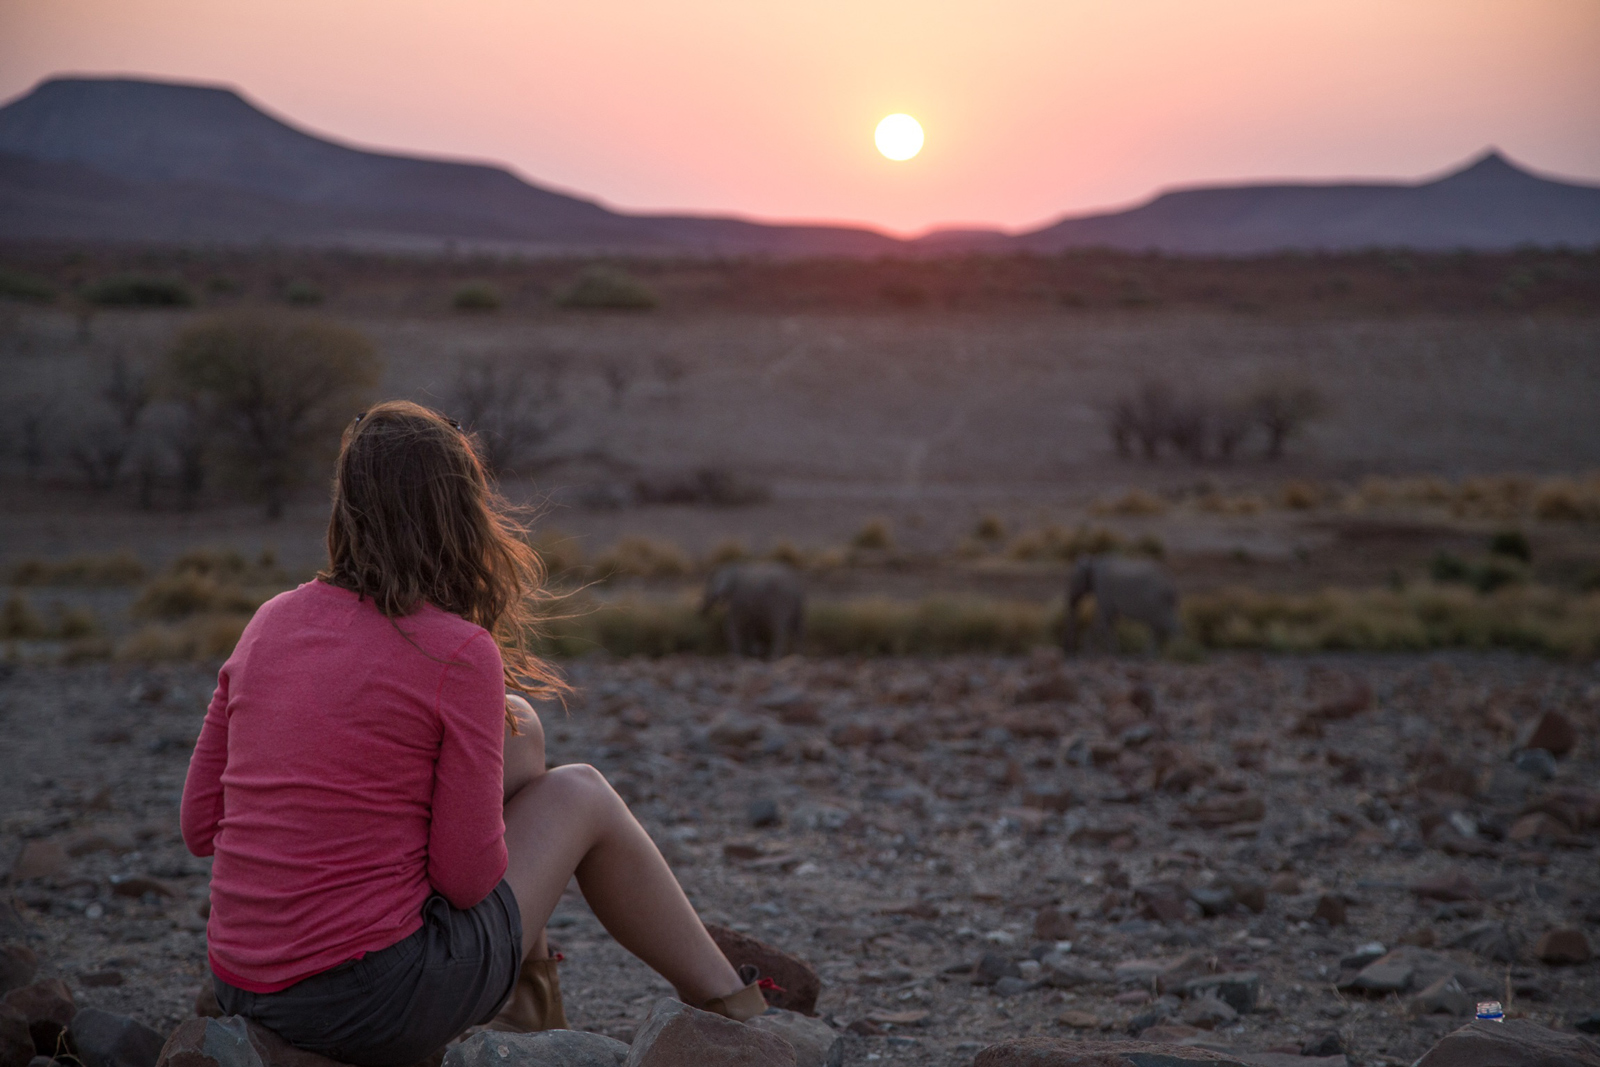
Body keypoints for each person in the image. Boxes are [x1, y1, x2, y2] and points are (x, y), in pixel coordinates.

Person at [180, 401, 763, 1066]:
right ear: (460, 511)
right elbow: (464, 879)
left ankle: (533, 1014)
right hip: (371, 1002)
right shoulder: (455, 651)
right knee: (581, 791)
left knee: (519, 730)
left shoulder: (269, 621)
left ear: (347, 506)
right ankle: (730, 1011)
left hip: (242, 985)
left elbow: (200, 825)